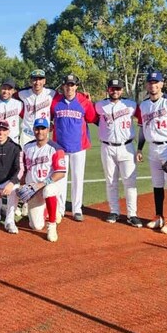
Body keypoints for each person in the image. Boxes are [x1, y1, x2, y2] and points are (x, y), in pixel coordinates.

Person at [135, 72, 167, 234]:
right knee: (157, 183)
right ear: (146, 85)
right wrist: (139, 148)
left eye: (156, 82)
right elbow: (142, 129)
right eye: (150, 82)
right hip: (152, 148)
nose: (153, 85)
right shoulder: (143, 105)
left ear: (162, 84)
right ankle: (159, 216)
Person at [94, 79, 141, 227]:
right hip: (107, 147)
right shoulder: (100, 105)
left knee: (130, 182)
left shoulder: (131, 105)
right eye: (112, 88)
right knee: (111, 181)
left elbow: (144, 118)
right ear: (108, 89)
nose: (115, 91)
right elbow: (91, 116)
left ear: (122, 90)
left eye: (118, 89)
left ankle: (132, 214)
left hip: (126, 147)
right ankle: (114, 211)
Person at [50, 74, 96, 222]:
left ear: (76, 86)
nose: (69, 88)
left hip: (79, 147)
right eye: (67, 85)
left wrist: (91, 101)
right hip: (60, 147)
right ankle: (60, 209)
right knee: (60, 179)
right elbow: (49, 117)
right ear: (63, 86)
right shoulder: (55, 101)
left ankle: (77, 209)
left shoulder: (84, 101)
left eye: (72, 85)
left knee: (77, 179)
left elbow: (92, 118)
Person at [21, 118, 66, 242]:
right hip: (33, 189)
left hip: (49, 185)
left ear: (48, 130)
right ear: (33, 130)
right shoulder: (27, 147)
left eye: (43, 128)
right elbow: (24, 169)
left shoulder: (55, 148)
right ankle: (48, 208)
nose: (40, 131)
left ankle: (52, 225)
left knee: (48, 190)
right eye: (37, 128)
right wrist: (22, 183)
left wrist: (42, 183)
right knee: (36, 226)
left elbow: (60, 173)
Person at [16, 69, 56, 147]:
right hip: (27, 134)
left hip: (43, 133)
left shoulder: (51, 93)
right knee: (24, 154)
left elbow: (61, 102)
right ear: (31, 81)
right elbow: (8, 96)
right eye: (35, 79)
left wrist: (51, 119)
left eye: (40, 79)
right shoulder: (22, 93)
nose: (37, 82)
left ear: (44, 81)